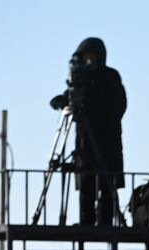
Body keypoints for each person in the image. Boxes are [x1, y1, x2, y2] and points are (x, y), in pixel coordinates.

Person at [50, 38, 125, 226]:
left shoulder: (110, 77)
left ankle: (106, 222)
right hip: (85, 144)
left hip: (107, 141)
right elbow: (71, 97)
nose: (90, 60)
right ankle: (86, 221)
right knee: (86, 183)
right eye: (86, 56)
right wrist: (63, 101)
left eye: (93, 56)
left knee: (107, 182)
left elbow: (119, 105)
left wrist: (102, 117)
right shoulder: (81, 79)